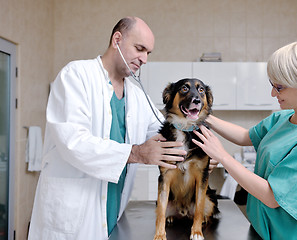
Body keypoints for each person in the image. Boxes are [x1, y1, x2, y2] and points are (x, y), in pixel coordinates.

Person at [28, 17, 188, 240]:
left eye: (148, 53)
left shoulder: (137, 96)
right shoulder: (76, 76)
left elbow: (163, 134)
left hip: (112, 212)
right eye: (139, 49)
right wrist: (136, 153)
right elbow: (74, 142)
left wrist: (193, 155)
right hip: (73, 215)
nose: (144, 59)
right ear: (117, 39)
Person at [193, 38, 297, 239]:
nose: (272, 93)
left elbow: (272, 197)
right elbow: (245, 136)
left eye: (279, 87)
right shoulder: (284, 117)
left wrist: (223, 156)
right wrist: (202, 115)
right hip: (262, 230)